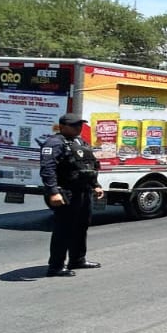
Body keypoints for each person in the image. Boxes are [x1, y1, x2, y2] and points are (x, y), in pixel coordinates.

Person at [39, 113, 104, 276]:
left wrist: (95, 185)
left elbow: (88, 165)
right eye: (74, 125)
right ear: (62, 127)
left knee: (81, 226)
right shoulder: (54, 143)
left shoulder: (79, 141)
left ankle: (77, 259)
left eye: (79, 125)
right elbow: (48, 169)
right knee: (64, 229)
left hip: (83, 191)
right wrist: (53, 192)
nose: (78, 128)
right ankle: (56, 266)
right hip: (65, 192)